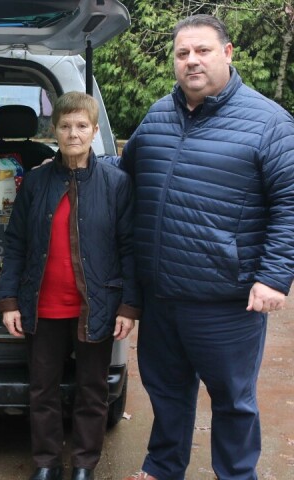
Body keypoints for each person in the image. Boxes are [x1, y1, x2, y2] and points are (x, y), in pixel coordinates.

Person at [119, 14, 294, 480]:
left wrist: (274, 276)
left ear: (228, 53)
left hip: (226, 300)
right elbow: (123, 184)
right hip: (161, 296)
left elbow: (289, 203)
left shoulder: (270, 123)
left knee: (233, 400)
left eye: (202, 51)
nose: (191, 61)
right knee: (166, 390)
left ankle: (236, 474)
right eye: (182, 53)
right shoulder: (156, 116)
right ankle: (162, 466)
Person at [0, 92, 141, 480]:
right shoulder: (37, 181)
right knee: (42, 390)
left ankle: (83, 465)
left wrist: (129, 307)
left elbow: (129, 249)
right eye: (65, 126)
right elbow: (16, 243)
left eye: (81, 126)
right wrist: (9, 300)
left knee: (92, 391)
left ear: (95, 131)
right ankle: (46, 464)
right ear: (53, 131)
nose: (73, 133)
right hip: (42, 306)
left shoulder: (116, 183)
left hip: (96, 306)